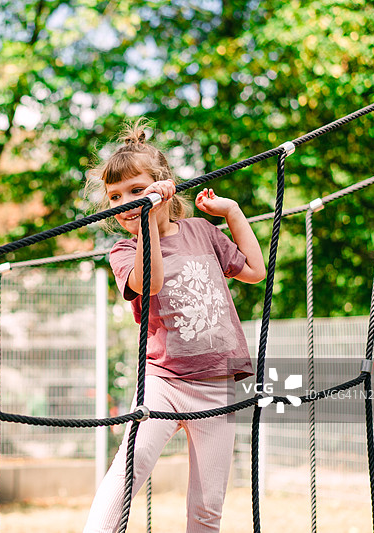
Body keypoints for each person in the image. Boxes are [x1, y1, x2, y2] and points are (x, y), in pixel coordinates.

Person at [83, 119, 266, 533]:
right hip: (163, 381)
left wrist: (232, 211)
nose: (125, 201)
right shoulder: (123, 250)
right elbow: (152, 282)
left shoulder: (201, 231)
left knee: (208, 504)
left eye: (136, 190)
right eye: (115, 196)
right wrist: (147, 220)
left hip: (218, 385)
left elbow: (255, 270)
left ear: (163, 185)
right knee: (129, 470)